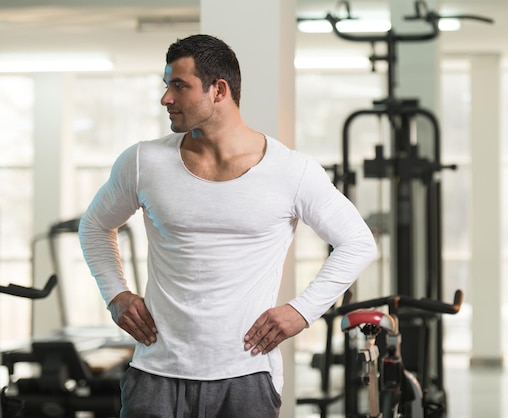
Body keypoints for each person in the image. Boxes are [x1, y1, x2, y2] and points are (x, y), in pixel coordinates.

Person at [78, 34, 377, 418]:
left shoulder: (291, 171)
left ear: (219, 90)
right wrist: (115, 294)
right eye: (166, 85)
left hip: (246, 374)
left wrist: (301, 311)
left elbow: (357, 242)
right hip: (156, 373)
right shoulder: (143, 162)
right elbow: (95, 226)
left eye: (179, 85)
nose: (166, 98)